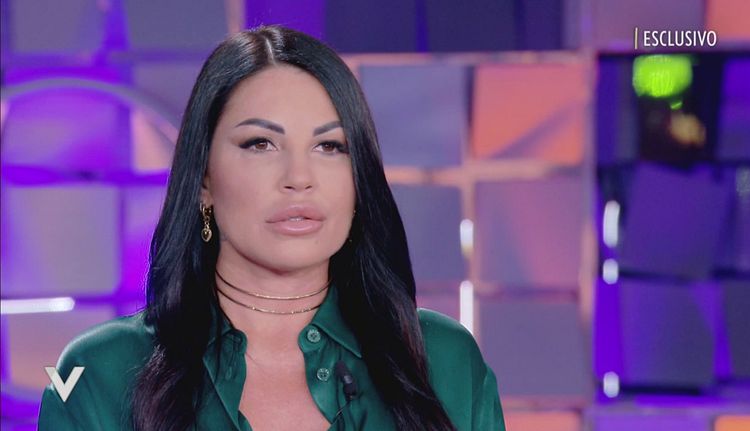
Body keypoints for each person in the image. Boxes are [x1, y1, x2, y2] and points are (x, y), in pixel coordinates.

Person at [38, 25, 505, 431]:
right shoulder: (100, 373)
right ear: (203, 181)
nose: (299, 178)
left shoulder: (443, 361)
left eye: (329, 146)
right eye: (261, 143)